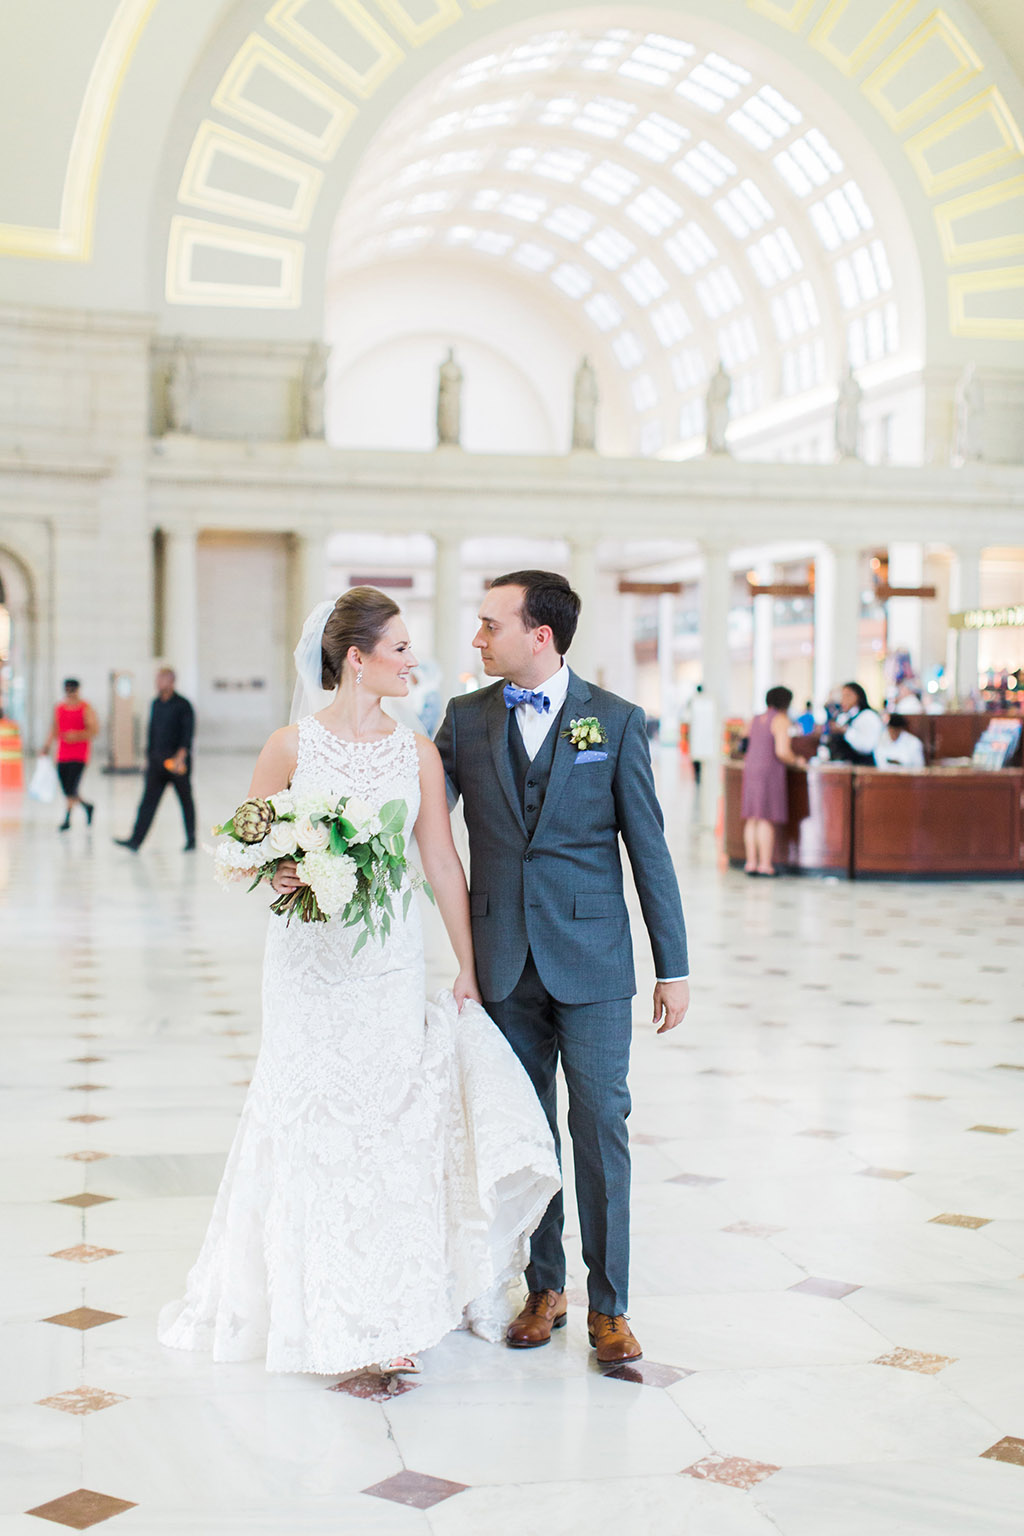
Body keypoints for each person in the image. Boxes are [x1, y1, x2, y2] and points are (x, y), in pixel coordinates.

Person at [159, 590, 559, 1376]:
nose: (415, 661)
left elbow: (442, 862)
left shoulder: (416, 753)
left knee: (387, 1132)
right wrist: (283, 870)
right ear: (357, 658)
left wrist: (467, 968)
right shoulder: (290, 745)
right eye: (402, 648)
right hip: (308, 968)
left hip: (386, 968)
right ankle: (325, 1317)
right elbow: (239, 845)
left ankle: (390, 1312)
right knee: (313, 1127)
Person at [435, 571, 690, 1368]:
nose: (476, 639)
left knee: (599, 1125)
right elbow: (416, 816)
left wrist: (671, 966)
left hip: (594, 964)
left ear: (538, 635)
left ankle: (609, 1306)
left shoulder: (614, 721)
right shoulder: (466, 720)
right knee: (528, 1130)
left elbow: (647, 848)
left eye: (488, 625)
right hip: (502, 962)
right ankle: (545, 1288)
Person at [114, 668, 196, 851]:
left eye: (161, 679)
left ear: (172, 681)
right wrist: (148, 759)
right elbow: (152, 732)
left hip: (177, 763)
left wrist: (180, 758)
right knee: (147, 802)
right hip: (156, 762)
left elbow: (187, 734)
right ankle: (135, 840)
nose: (158, 683)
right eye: (157, 679)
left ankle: (191, 839)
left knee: (185, 800)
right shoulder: (155, 703)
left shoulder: (183, 705)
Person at [741, 686, 799, 876]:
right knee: (765, 817)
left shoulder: (755, 719)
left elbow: (743, 743)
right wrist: (797, 760)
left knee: (752, 817)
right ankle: (765, 865)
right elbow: (782, 751)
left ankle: (751, 862)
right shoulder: (781, 720)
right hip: (768, 770)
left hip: (750, 769)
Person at [43, 678, 97, 831]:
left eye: (72, 689)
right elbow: (54, 729)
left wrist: (77, 735)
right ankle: (87, 806)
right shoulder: (59, 708)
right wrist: (46, 746)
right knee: (67, 789)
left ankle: (67, 819)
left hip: (79, 754)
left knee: (72, 786)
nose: (70, 693)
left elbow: (94, 730)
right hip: (63, 754)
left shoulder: (86, 708)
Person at [827, 682, 883, 765]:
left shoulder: (868, 716)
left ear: (857, 696)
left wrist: (846, 731)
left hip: (863, 767)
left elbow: (867, 746)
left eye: (847, 696)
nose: (842, 700)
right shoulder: (843, 717)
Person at [687, 683, 717, 785]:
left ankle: (697, 775)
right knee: (700, 755)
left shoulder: (693, 701)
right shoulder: (708, 702)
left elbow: (687, 718)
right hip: (703, 735)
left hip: (697, 735)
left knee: (696, 757)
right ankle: (698, 775)